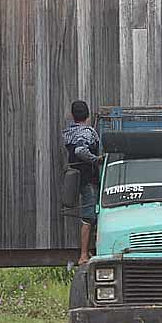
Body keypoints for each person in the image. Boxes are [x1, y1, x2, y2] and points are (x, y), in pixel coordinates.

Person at [63, 100, 104, 266]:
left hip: (78, 178)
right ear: (87, 115)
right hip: (89, 179)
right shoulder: (87, 132)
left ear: (73, 116)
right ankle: (83, 255)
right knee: (89, 216)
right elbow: (80, 150)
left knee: (90, 214)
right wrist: (96, 159)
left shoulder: (68, 131)